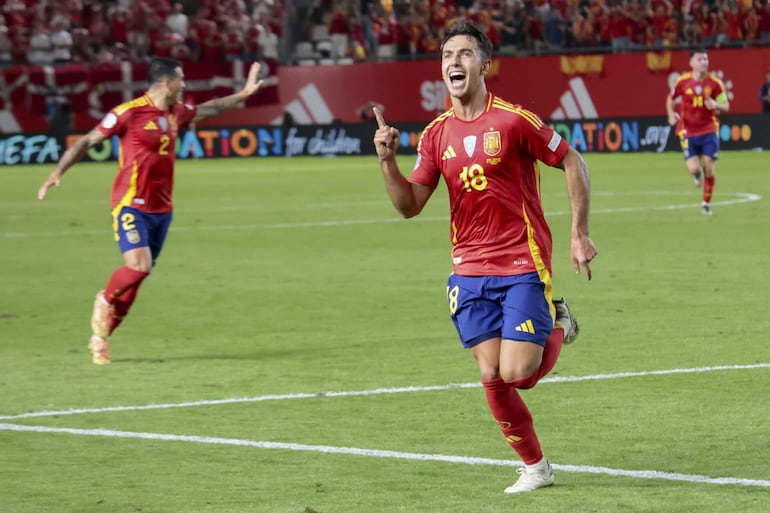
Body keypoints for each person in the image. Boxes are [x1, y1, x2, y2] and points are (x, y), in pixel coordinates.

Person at [372, 20, 597, 494]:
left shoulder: (514, 120)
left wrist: (579, 232)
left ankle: (558, 324)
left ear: (484, 65)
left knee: (518, 373)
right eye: (447, 55)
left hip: (520, 264)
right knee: (491, 375)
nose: (454, 61)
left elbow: (573, 160)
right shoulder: (435, 135)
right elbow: (410, 205)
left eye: (465, 54)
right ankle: (536, 467)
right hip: (468, 270)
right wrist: (387, 161)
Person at [37, 57, 265, 365]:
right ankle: (103, 298)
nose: (185, 84)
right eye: (181, 79)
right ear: (167, 82)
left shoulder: (176, 113)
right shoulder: (128, 113)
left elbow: (210, 108)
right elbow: (88, 141)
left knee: (137, 280)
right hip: (131, 203)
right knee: (139, 267)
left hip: (162, 208)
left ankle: (100, 339)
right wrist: (58, 172)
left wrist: (243, 95)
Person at [666, 49, 730, 215]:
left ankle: (706, 203)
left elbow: (726, 106)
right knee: (694, 168)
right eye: (700, 59)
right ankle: (696, 174)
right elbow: (670, 98)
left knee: (709, 166)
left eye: (706, 59)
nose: (704, 62)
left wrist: (716, 105)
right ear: (692, 62)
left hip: (709, 129)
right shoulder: (683, 82)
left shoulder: (715, 84)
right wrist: (670, 114)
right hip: (687, 131)